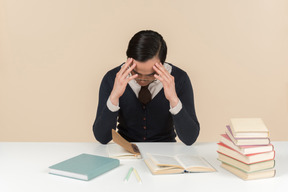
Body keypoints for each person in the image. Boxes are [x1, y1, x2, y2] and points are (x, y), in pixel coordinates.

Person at [93, 30, 199, 146]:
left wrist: (173, 99)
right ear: (128, 60)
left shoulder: (179, 79)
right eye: (136, 73)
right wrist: (114, 97)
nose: (142, 79)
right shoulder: (112, 79)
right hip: (125, 151)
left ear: (162, 64)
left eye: (150, 75)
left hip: (166, 152)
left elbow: (190, 138)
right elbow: (102, 137)